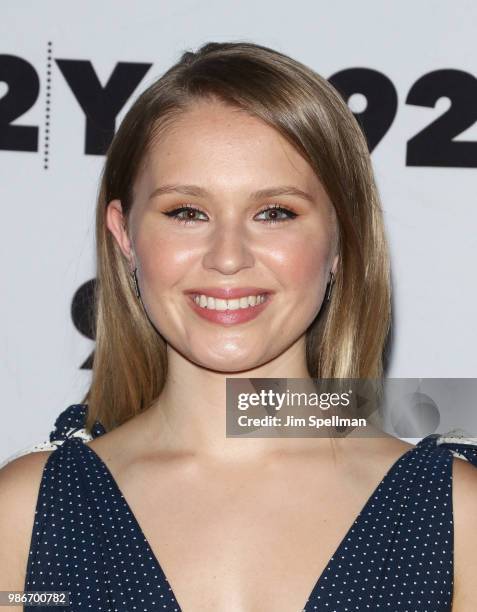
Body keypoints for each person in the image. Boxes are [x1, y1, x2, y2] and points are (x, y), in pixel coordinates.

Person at [1, 41, 477, 612]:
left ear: (341, 242)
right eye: (187, 212)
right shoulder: (28, 514)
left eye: (275, 213)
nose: (228, 256)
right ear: (125, 234)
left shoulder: (456, 519)